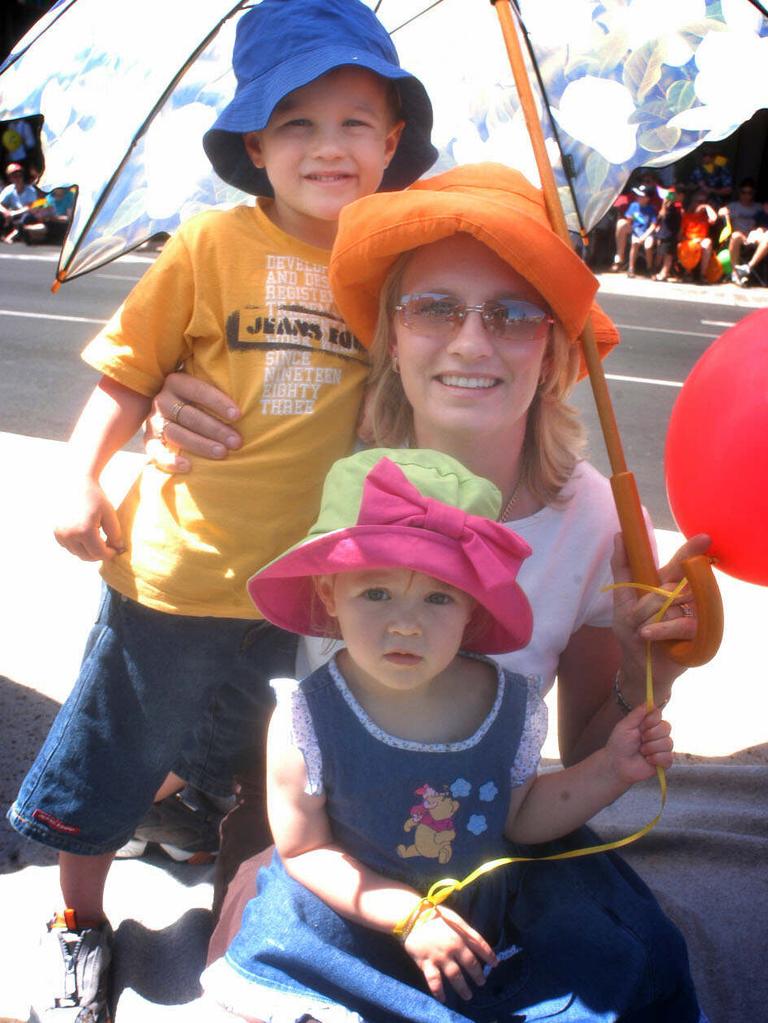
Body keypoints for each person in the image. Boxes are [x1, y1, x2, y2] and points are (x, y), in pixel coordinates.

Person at [151, 165, 708, 994]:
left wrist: (642, 675)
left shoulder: (591, 516)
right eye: (435, 306)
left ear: (554, 345)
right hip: (316, 830)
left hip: (494, 850)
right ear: (392, 333)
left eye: (513, 313)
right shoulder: (319, 453)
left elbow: (586, 755)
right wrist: (174, 422)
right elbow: (192, 564)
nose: (471, 342)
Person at [7, 1, 436, 1019]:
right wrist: (79, 479)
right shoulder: (206, 244)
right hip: (177, 570)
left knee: (271, 760)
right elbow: (125, 375)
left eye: (352, 122)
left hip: (312, 592)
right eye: (297, 123)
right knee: (114, 750)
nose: (327, 147)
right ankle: (77, 922)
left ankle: (244, 906)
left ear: (391, 141)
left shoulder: (393, 266)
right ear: (255, 143)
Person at [199, 447, 697, 1022]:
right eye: (376, 593)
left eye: (438, 597)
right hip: (354, 909)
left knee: (614, 961)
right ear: (329, 594)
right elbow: (306, 849)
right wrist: (407, 915)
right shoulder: (305, 717)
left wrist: (610, 768)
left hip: (486, 911)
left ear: (470, 608)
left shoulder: (507, 702)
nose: (405, 622)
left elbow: (520, 818)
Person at [677, 189, 718, 283]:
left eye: (703, 202)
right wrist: (692, 240)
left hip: (702, 241)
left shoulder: (705, 217)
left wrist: (707, 207)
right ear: (693, 202)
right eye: (698, 202)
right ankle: (688, 273)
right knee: (692, 245)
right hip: (689, 242)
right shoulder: (686, 216)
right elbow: (679, 236)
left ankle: (702, 275)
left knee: (707, 243)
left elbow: (714, 218)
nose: (700, 204)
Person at [0, 161, 39, 242]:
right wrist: (5, 212)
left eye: (19, 176)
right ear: (10, 178)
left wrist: (15, 213)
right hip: (11, 215)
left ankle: (15, 234)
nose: (17, 178)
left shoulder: (30, 190)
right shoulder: (9, 189)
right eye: (14, 176)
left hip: (25, 215)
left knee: (26, 217)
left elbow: (31, 206)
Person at [625, 184, 658, 278]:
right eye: (638, 195)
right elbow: (629, 220)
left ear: (647, 198)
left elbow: (653, 225)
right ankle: (631, 268)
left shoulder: (651, 209)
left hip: (647, 233)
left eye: (641, 196)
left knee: (648, 246)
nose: (638, 197)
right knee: (634, 244)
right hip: (636, 232)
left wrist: (644, 237)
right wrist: (630, 225)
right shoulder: (633, 205)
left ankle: (650, 268)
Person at [651, 187, 683, 281]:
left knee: (669, 254)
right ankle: (657, 270)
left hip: (672, 233)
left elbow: (679, 222)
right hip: (663, 233)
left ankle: (664, 273)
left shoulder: (677, 207)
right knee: (660, 253)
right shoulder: (665, 207)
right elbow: (660, 217)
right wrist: (664, 204)